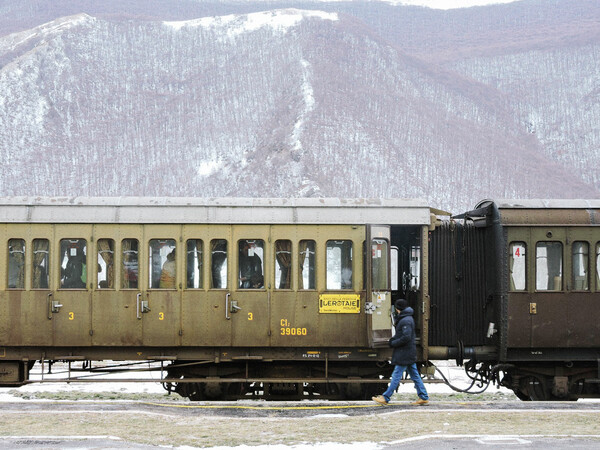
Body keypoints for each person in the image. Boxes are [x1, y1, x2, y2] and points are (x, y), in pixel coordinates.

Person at [372, 298, 429, 406]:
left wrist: (393, 343)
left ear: (398, 309)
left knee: (396, 376)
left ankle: (386, 397)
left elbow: (406, 337)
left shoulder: (405, 320)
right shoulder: (407, 319)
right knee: (415, 376)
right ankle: (424, 396)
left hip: (404, 353)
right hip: (408, 352)